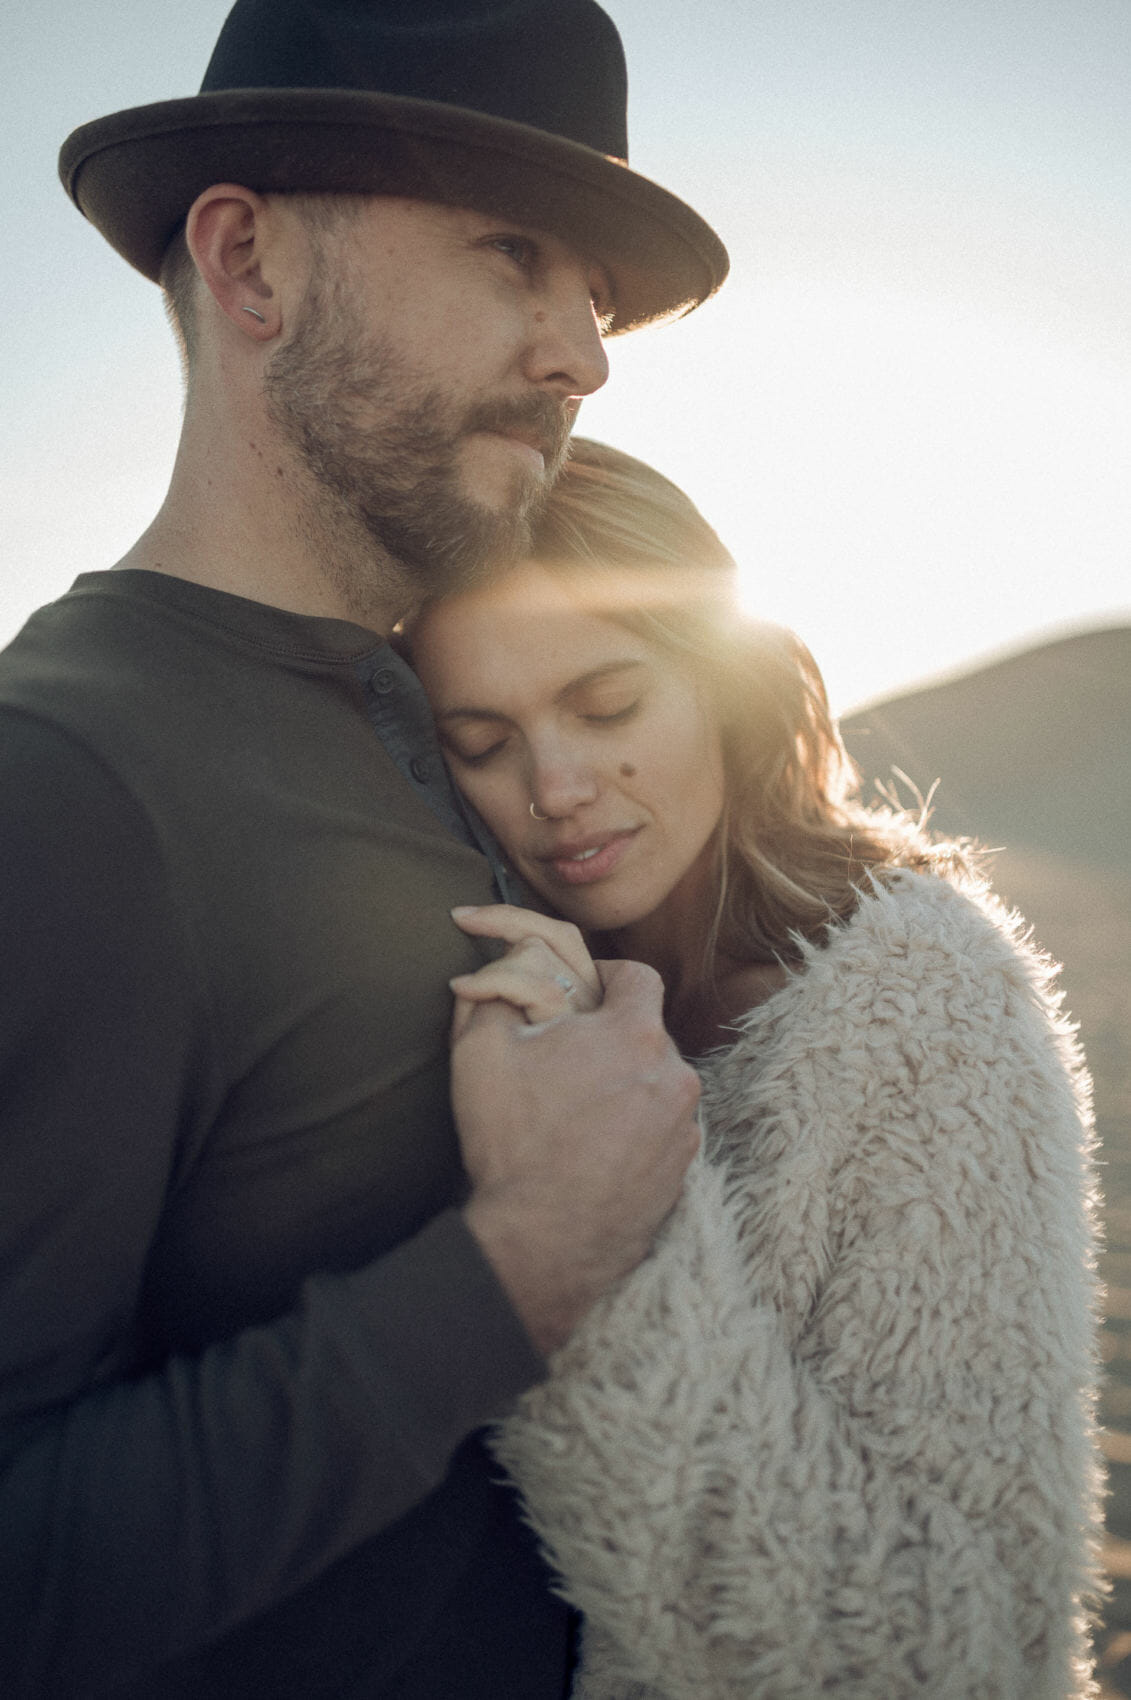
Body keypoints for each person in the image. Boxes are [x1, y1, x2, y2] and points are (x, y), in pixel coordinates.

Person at [0, 6, 727, 1697]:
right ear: (249, 262)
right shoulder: (65, 782)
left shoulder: (439, 712)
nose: (585, 356)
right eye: (513, 253)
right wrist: (519, 1266)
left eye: (598, 302)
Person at [408, 438, 1105, 1699]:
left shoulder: (928, 1006)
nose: (559, 786)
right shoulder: (479, 1003)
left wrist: (590, 1220)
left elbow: (952, 1657)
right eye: (481, 738)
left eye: (609, 706)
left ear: (725, 684)